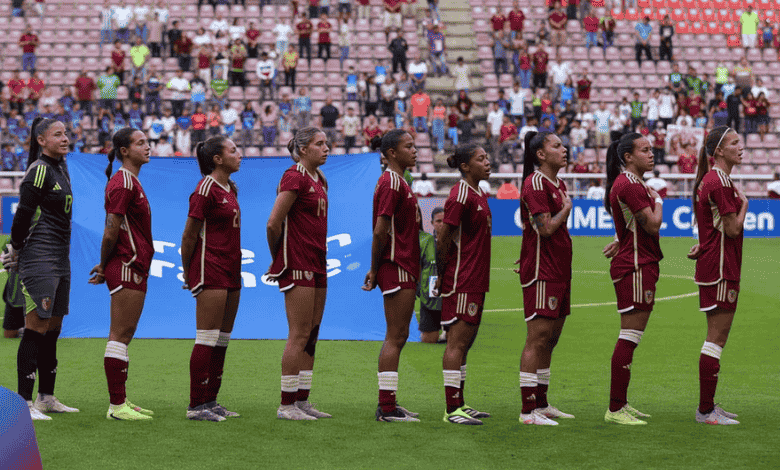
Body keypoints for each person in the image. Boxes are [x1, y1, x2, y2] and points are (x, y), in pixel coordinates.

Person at [3, 118, 79, 421]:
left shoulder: (62, 169)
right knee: (35, 328)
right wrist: (16, 248)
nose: (65, 138)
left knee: (53, 329)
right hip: (40, 257)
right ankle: (23, 402)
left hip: (60, 258)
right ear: (41, 140)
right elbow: (22, 213)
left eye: (66, 133)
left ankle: (46, 398)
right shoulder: (39, 170)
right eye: (57, 134)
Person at [87, 128, 155, 420]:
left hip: (132, 263)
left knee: (124, 334)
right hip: (127, 263)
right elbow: (110, 229)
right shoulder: (124, 182)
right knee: (120, 334)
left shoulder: (130, 181)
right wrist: (104, 265)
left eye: (147, 142)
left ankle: (121, 400)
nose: (147, 147)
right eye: (140, 143)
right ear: (124, 151)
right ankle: (116, 406)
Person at [266, 127, 332, 421]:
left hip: (318, 262)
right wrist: (279, 259)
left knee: (312, 334)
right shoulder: (294, 176)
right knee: (299, 333)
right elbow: (273, 223)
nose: (326, 148)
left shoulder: (321, 179)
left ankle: (302, 400)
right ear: (303, 149)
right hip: (298, 263)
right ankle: (286, 405)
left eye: (326, 143)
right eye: (319, 144)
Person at [601, 132, 663, 425]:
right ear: (628, 157)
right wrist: (659, 201)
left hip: (639, 262)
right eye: (645, 150)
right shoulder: (629, 184)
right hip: (636, 266)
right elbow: (652, 224)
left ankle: (621, 403)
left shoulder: (630, 183)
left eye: (651, 149)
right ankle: (615, 408)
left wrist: (619, 240)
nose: (651, 154)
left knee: (631, 336)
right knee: (629, 336)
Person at [180, 135, 243, 422]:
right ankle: (196, 405)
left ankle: (211, 400)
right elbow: (189, 235)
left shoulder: (231, 187)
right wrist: (189, 272)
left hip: (232, 270)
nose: (239, 154)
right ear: (217, 159)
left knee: (222, 340)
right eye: (233, 150)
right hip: (211, 269)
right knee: (206, 338)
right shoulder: (205, 189)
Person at [362, 130, 422, 422]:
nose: (415, 150)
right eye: (408, 146)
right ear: (392, 153)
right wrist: (375, 269)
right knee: (395, 335)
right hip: (396, 264)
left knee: (399, 334)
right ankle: (386, 407)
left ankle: (390, 403)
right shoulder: (391, 182)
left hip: (402, 265)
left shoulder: (399, 181)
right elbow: (379, 231)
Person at [514, 131, 574, 426]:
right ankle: (528, 411)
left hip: (559, 270)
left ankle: (542, 403)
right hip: (543, 272)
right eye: (557, 145)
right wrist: (566, 208)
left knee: (551, 339)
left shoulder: (558, 183)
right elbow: (545, 228)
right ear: (540, 154)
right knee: (537, 338)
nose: (564, 149)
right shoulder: (535, 183)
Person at [687, 126, 746, 425]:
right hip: (721, 267)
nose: (741, 147)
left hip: (716, 264)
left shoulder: (713, 179)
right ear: (719, 150)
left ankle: (708, 406)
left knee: (716, 338)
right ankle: (705, 410)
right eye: (734, 143)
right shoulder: (719, 181)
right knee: (716, 339)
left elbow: (711, 227)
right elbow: (732, 229)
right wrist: (745, 205)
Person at [433, 144, 492, 425]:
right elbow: (444, 238)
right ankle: (451, 408)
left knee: (465, 344)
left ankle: (460, 403)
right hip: (462, 279)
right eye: (481, 159)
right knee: (456, 343)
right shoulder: (460, 195)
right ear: (466, 166)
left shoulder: (478, 193)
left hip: (476, 278)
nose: (487, 162)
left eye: (487, 157)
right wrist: (442, 274)